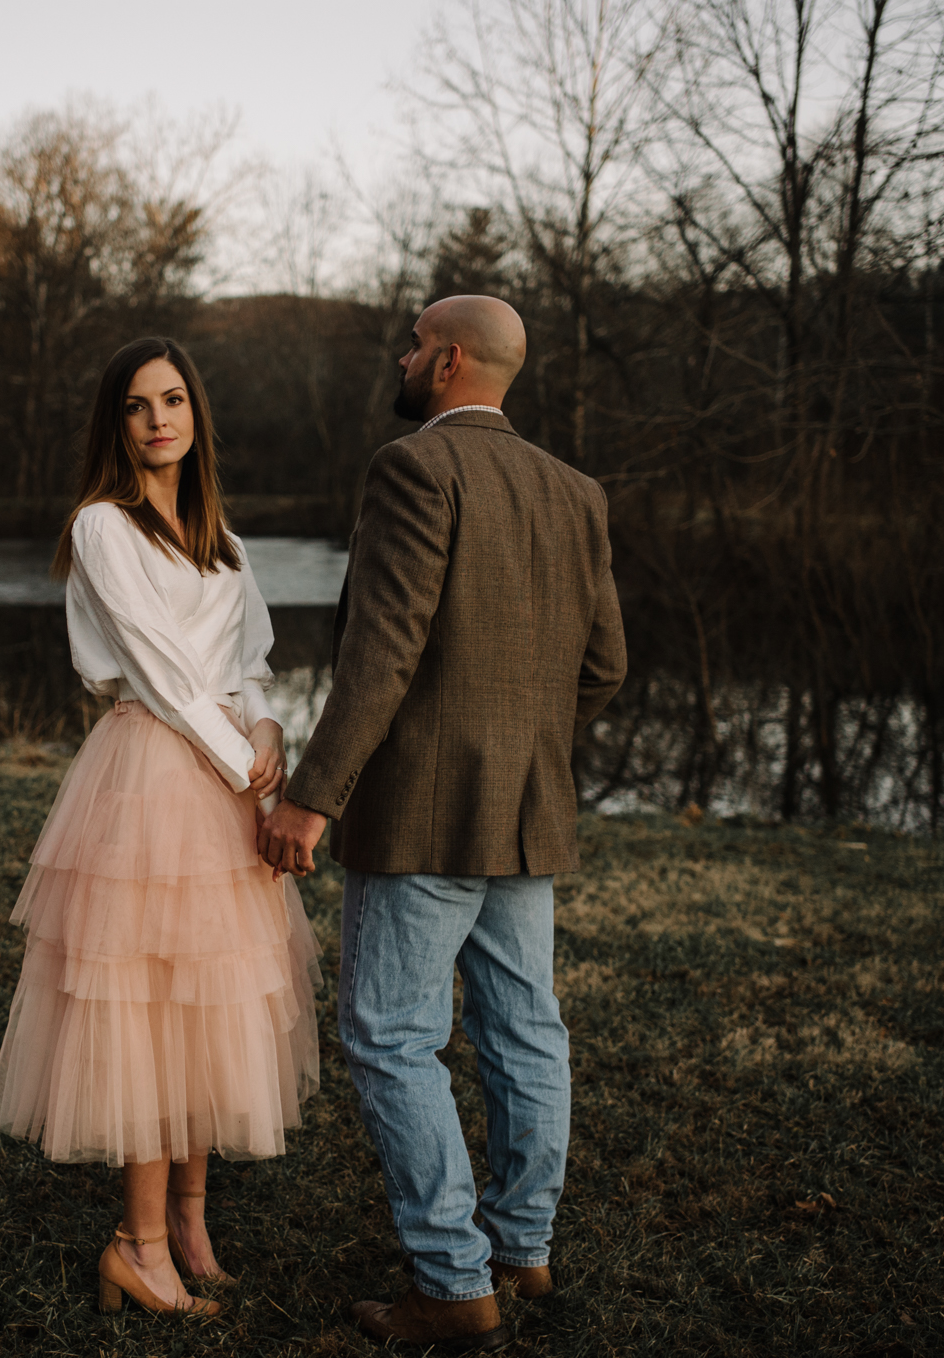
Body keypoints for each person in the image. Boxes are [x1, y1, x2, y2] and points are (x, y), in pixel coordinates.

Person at [258, 296, 627, 1352]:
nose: (404, 355)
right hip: (526, 808)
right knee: (523, 1026)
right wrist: (520, 745)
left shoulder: (413, 468)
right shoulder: (574, 490)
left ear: (449, 359)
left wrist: (313, 791)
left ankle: (452, 1280)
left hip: (420, 812)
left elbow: (382, 653)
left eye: (413, 342)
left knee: (388, 1034)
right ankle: (523, 1247)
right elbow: (604, 666)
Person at [0, 336, 322, 1320]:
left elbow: (246, 656)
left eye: (172, 399)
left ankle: (188, 1220)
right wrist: (237, 762)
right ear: (114, 421)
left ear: (194, 413)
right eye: (136, 404)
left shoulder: (219, 531)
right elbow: (164, 673)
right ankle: (133, 1244)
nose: (157, 417)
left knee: (211, 1000)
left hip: (222, 776)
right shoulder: (100, 524)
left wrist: (265, 724)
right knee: (146, 1006)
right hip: (152, 774)